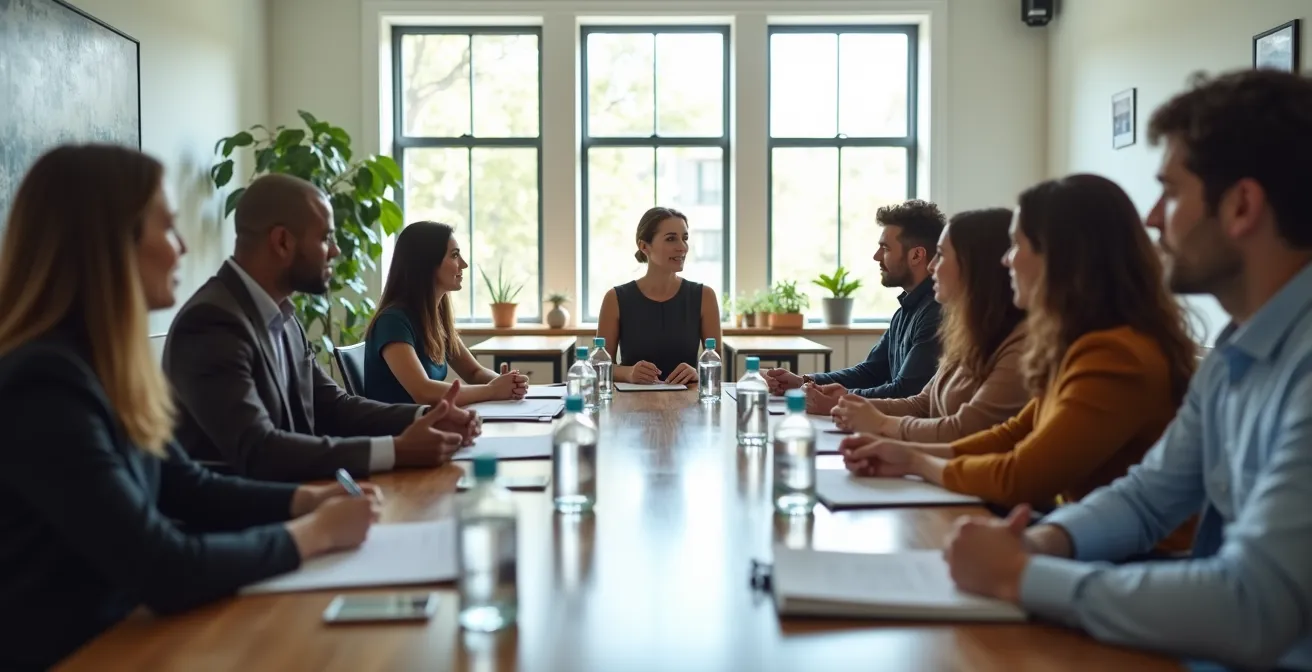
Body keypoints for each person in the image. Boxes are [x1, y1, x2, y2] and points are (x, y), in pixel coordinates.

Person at [942, 70, 1312, 671]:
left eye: (1170, 190)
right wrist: (1037, 544)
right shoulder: (1234, 352)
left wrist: (1026, 578)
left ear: (1241, 206)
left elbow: (1255, 605)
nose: (1153, 218)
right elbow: (1146, 499)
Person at [0, 145, 390, 670]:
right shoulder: (43, 385)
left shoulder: (101, 367)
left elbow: (190, 488)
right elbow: (162, 566)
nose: (183, 245)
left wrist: (305, 502)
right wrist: (316, 533)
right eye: (166, 227)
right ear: (107, 246)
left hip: (131, 639)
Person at [840, 174, 1197, 541]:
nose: (1007, 261)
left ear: (1060, 257)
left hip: (1142, 557)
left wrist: (916, 459)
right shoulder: (1077, 343)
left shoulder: (1114, 353)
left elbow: (1022, 474)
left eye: (1016, 246)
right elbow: (1009, 435)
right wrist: (906, 453)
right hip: (1096, 541)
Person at [164, 174, 477, 482]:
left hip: (301, 499)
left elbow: (333, 406)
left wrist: (428, 418)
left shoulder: (284, 316)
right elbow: (259, 450)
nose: (336, 251)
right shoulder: (212, 322)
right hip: (248, 519)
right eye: (326, 237)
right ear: (283, 242)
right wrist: (396, 450)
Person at [830, 208, 1029, 442]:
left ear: (974, 266)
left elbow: (964, 431)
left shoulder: (1017, 345)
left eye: (941, 255)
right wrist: (846, 401)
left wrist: (881, 424)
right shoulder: (968, 332)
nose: (932, 266)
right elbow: (922, 403)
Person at [765, 200, 945, 413]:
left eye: (885, 248)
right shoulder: (905, 311)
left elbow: (906, 392)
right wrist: (804, 381)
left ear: (916, 255)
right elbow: (870, 372)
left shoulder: (936, 311)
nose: (876, 256)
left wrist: (840, 399)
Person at [364, 221, 529, 405]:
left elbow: (474, 373)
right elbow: (423, 391)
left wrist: (506, 383)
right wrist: (492, 390)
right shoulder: (392, 321)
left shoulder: (436, 318)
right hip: (401, 431)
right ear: (426, 264)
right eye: (455, 255)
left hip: (426, 424)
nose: (464, 264)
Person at [597, 206, 723, 386]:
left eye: (684, 238)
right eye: (671, 239)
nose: (682, 247)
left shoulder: (705, 296)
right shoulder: (615, 298)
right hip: (632, 407)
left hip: (687, 407)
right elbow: (598, 366)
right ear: (644, 246)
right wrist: (628, 373)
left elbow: (715, 364)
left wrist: (697, 373)